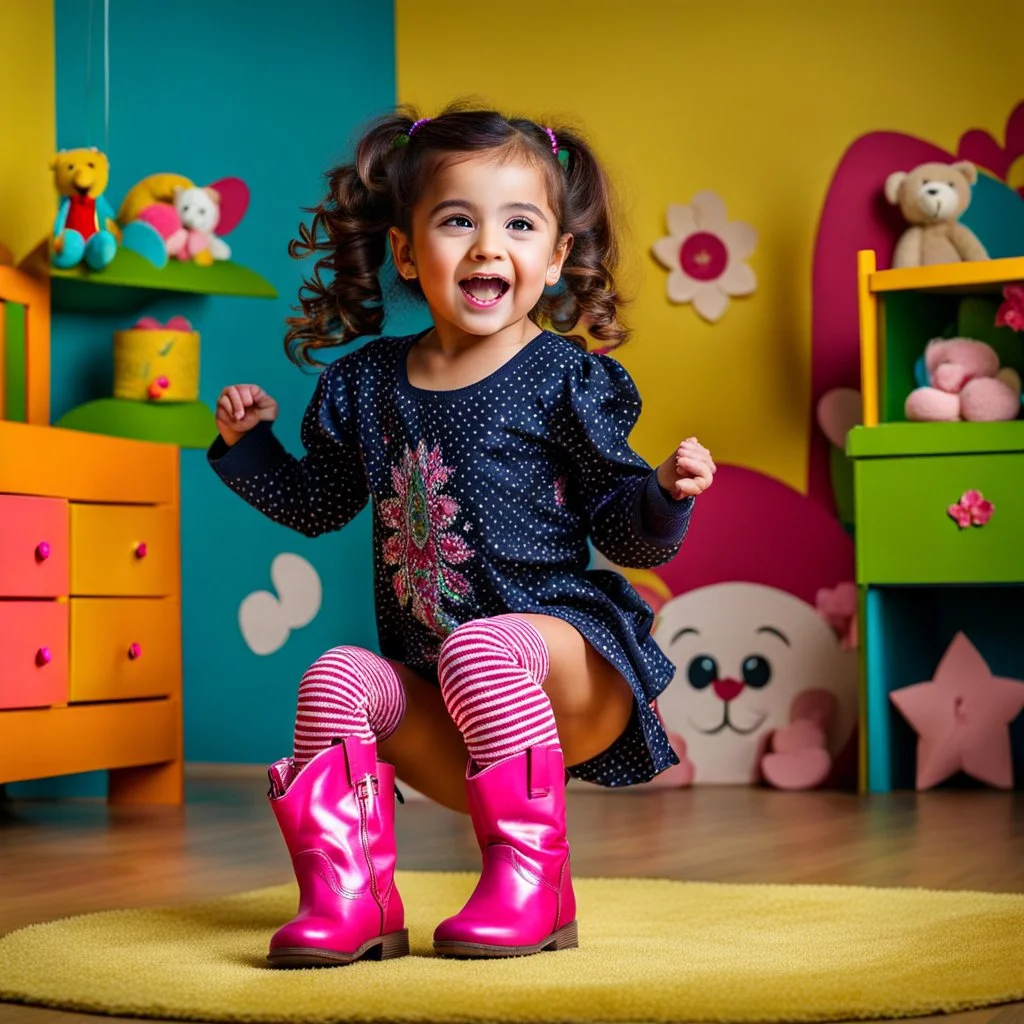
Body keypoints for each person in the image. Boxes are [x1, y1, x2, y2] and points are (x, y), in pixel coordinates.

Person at [208, 104, 716, 967]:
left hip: (566, 675)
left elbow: (624, 531)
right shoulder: (365, 384)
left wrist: (664, 494)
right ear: (407, 252)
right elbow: (320, 501)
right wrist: (248, 445)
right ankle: (351, 901)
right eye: (457, 221)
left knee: (483, 647)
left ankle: (537, 885)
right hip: (452, 723)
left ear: (555, 258)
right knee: (335, 675)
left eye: (520, 224)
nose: (488, 247)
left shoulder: (566, 376)